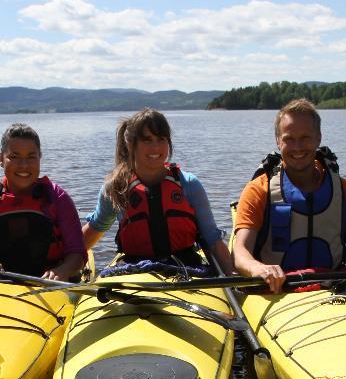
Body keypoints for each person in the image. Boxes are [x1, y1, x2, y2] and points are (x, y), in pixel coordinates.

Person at [233, 98, 346, 292]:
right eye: (289, 139)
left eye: (305, 138)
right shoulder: (257, 190)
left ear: (318, 138)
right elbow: (240, 252)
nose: (297, 147)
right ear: (278, 141)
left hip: (333, 286)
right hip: (277, 288)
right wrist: (258, 268)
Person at [82, 107, 234, 275]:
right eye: (147, 140)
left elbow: (212, 238)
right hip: (134, 270)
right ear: (131, 144)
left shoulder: (189, 184)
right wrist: (66, 264)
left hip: (185, 267)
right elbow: (96, 227)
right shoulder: (116, 188)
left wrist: (234, 278)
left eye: (161, 139)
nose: (156, 147)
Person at [0, 123, 86, 280]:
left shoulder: (57, 197)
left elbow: (77, 251)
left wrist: (63, 270)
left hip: (47, 281)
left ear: (39, 158)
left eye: (31, 157)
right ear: (1, 159)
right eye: (14, 157)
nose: (24, 166)